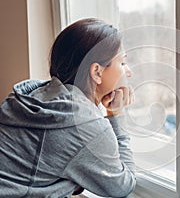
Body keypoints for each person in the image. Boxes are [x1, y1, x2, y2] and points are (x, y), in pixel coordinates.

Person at [0, 18, 136, 198]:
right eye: (123, 63)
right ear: (97, 72)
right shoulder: (84, 125)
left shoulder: (34, 96)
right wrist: (116, 115)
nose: (129, 73)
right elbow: (122, 186)